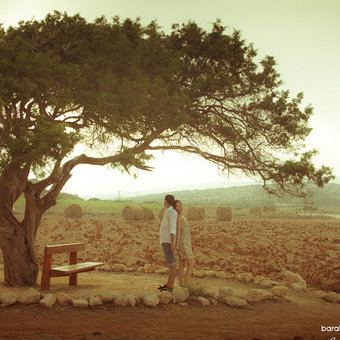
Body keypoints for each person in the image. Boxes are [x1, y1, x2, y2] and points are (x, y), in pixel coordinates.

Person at [158, 194, 177, 292]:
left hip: (168, 241)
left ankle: (171, 286)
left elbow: (173, 229)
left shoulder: (172, 213)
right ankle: (168, 284)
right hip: (165, 241)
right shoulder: (168, 212)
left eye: (164, 200)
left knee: (172, 264)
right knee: (170, 264)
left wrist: (173, 243)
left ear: (166, 201)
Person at [175, 200, 194, 287]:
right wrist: (177, 244)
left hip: (186, 242)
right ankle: (186, 285)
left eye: (181, 205)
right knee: (191, 264)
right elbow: (178, 232)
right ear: (175, 208)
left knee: (182, 264)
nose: (181, 207)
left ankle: (181, 285)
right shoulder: (179, 218)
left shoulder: (182, 216)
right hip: (183, 243)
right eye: (178, 206)